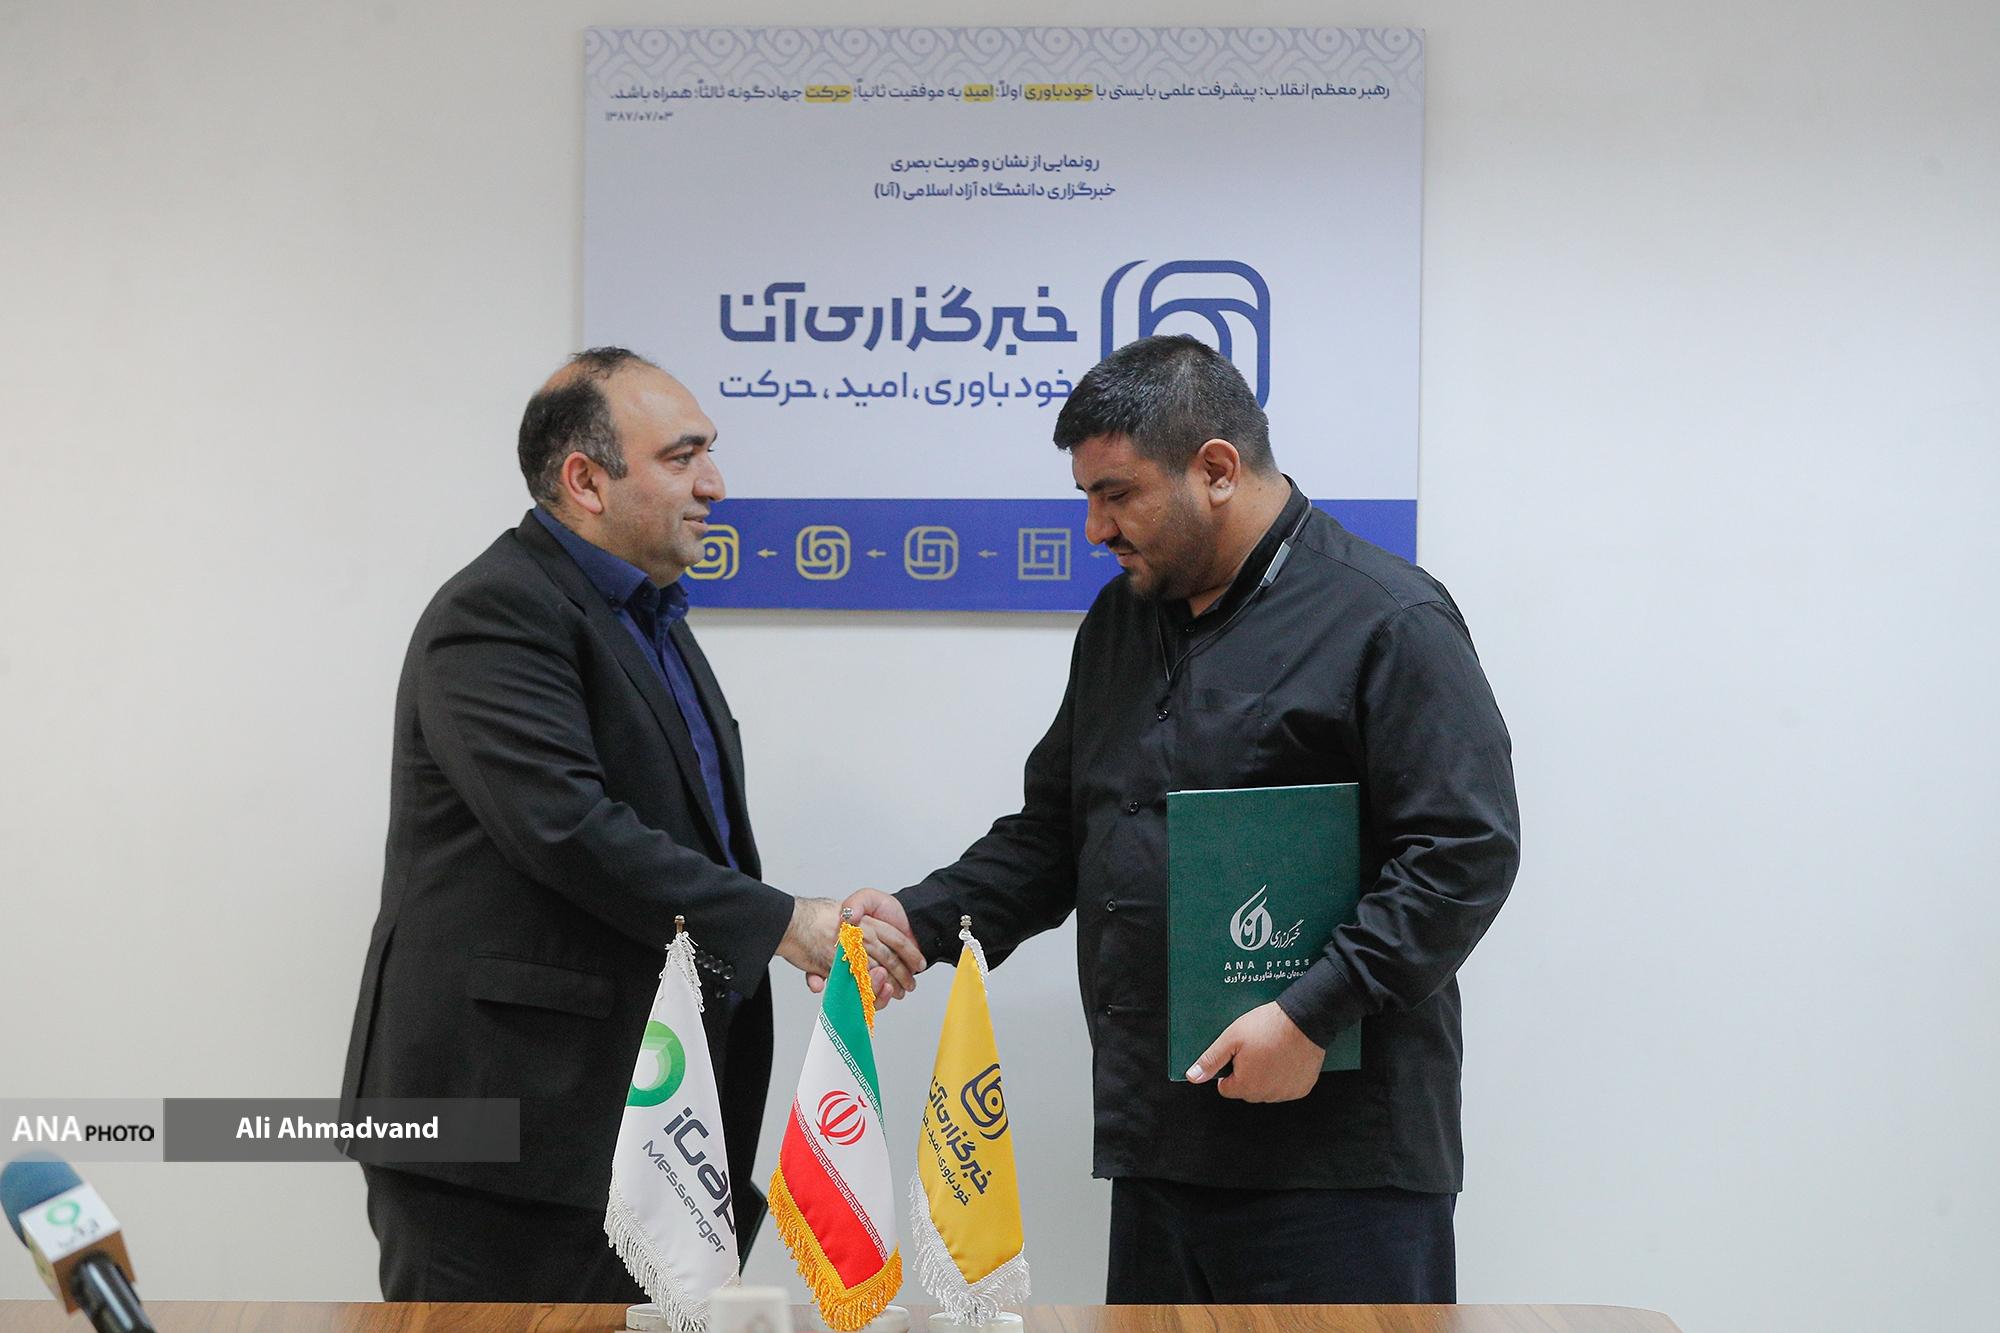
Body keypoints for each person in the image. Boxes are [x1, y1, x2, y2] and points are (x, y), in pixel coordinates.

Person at [844, 334, 1520, 1304]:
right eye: (1085, 497)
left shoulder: (1388, 618)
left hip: (1342, 1166)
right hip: (1160, 1149)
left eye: (1116, 494)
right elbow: (1054, 832)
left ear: (1215, 469)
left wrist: (1310, 1014)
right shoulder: (1121, 623)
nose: (1094, 528)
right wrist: (919, 919)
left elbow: (1462, 851)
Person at [339, 347, 916, 1302]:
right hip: (505, 1147)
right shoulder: (497, 611)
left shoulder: (649, 617)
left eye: (708, 452)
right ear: (586, 480)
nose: (715, 483)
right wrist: (786, 922)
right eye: (683, 457)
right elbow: (566, 829)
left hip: (634, 1135)